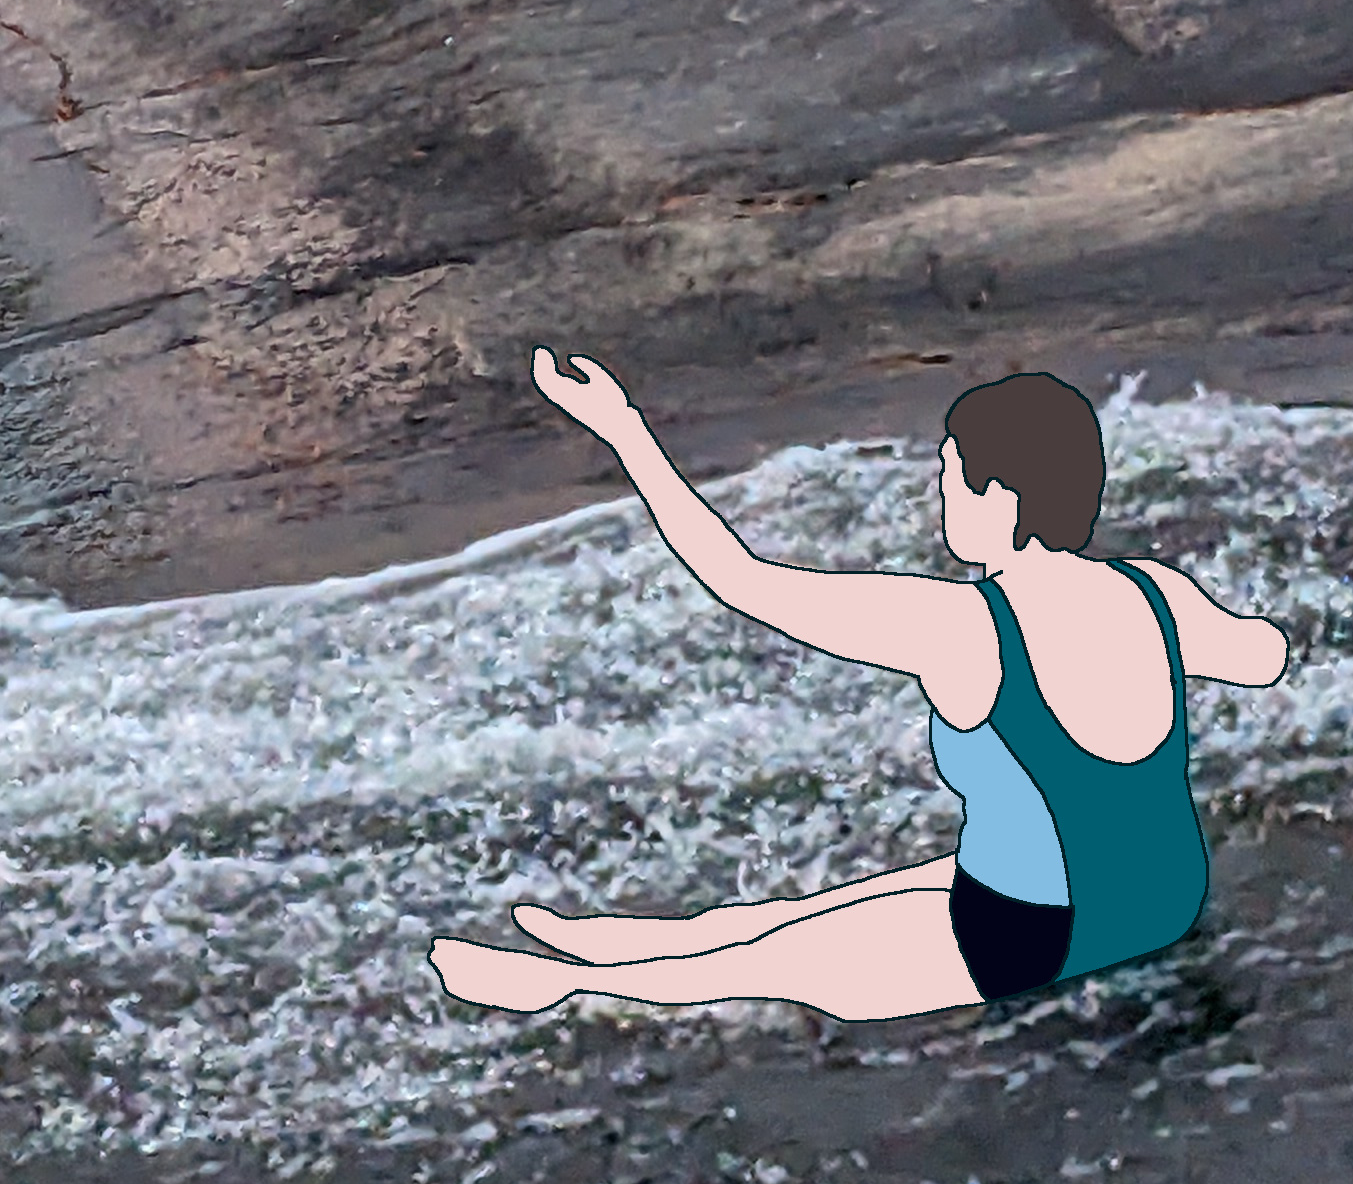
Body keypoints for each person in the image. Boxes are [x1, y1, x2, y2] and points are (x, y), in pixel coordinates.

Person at [429, 353, 1291, 1022]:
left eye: (950, 474)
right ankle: (640, 942)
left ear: (999, 495)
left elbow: (744, 580)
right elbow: (1261, 657)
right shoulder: (1153, 591)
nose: (940, 491)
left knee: (774, 965)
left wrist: (623, 431)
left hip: (1037, 937)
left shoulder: (960, 625)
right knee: (822, 909)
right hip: (1165, 899)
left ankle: (567, 989)